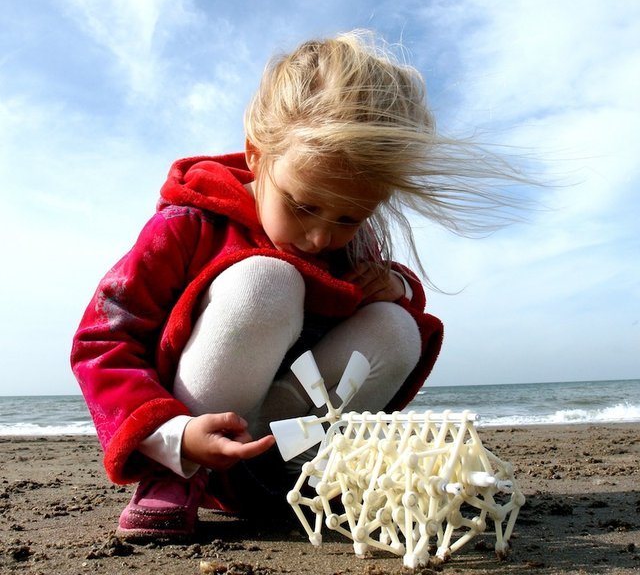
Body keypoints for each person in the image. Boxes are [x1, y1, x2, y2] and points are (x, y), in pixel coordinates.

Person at [71, 30, 527, 541]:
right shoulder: (188, 226)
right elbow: (102, 340)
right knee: (268, 278)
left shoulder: (346, 243)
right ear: (257, 156)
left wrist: (394, 286)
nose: (319, 236)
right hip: (196, 440)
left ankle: (305, 470)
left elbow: (378, 319)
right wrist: (173, 436)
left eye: (351, 216)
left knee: (399, 326)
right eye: (303, 205)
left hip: (282, 445)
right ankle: (178, 477)